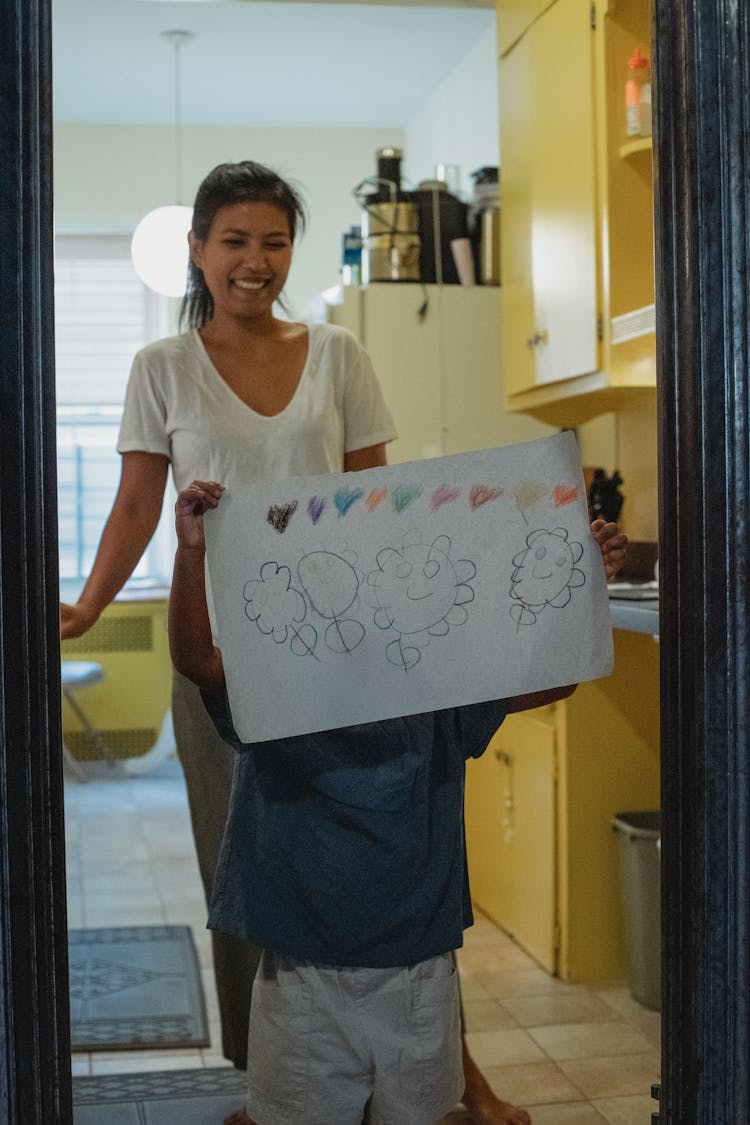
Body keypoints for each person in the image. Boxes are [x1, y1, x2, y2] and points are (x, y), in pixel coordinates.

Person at [58, 158, 551, 1125]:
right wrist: (82, 606)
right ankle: (273, 1079)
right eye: (234, 241)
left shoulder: (339, 355)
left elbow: (382, 508)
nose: (255, 261)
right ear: (197, 251)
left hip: (338, 658)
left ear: (292, 251)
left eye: (274, 242)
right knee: (242, 868)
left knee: (401, 857)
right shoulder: (160, 367)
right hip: (217, 663)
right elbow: (133, 503)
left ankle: (452, 1066)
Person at [168, 479, 627, 1125]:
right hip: (305, 978)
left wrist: (584, 583)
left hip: (416, 977)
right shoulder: (279, 695)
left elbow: (553, 674)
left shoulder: (436, 694)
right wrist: (190, 551)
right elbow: (196, 661)